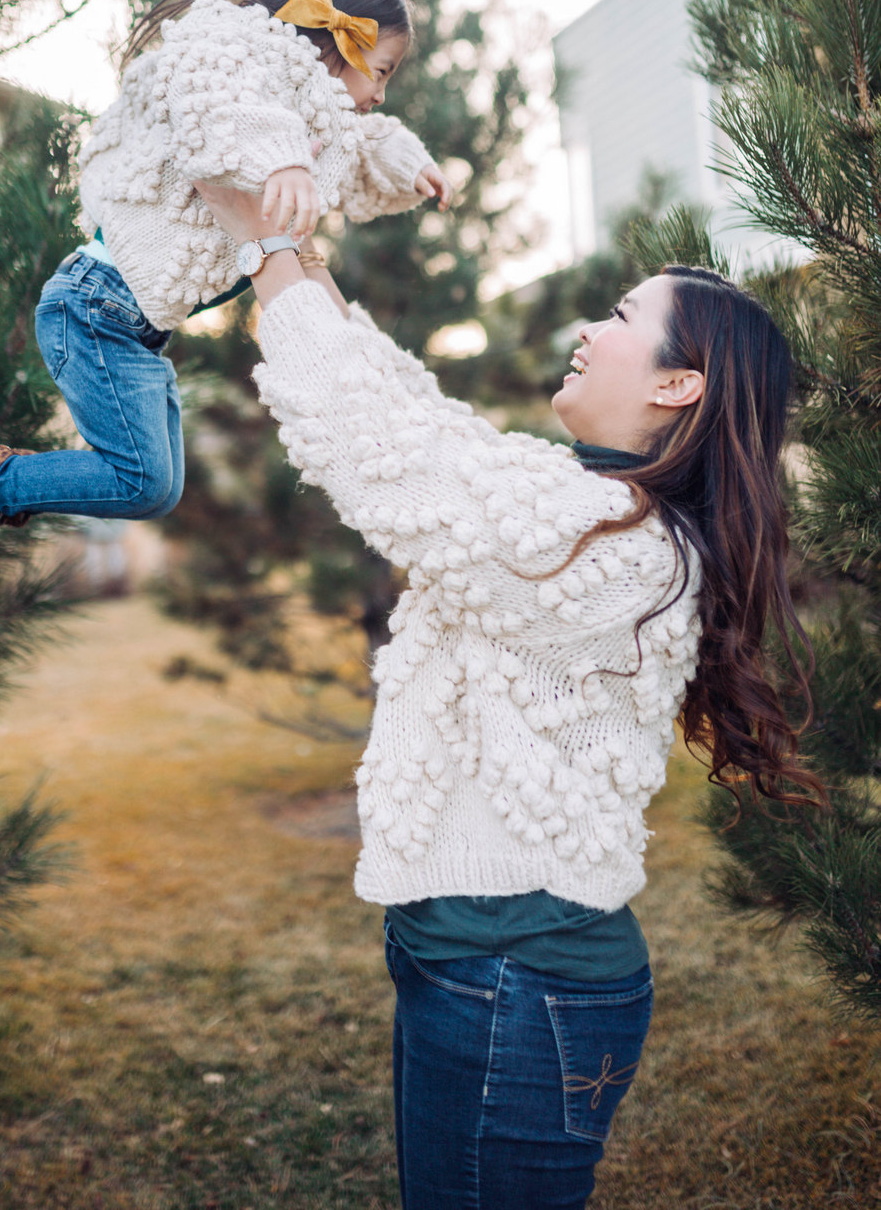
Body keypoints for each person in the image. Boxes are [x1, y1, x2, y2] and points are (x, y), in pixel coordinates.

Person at [191, 178, 828, 1210]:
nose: (587, 326)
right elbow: (417, 421)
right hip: (480, 967)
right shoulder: (583, 508)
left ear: (677, 387)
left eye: (621, 316)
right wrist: (300, 255)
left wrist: (264, 242)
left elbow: (377, 451)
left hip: (515, 985)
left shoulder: (619, 550)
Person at [0, 0, 451, 578]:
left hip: (136, 327)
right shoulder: (231, 49)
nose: (380, 94)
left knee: (159, 488)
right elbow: (224, 106)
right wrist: (282, 159)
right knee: (141, 482)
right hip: (94, 306)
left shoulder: (312, 114)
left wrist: (415, 168)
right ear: (339, 37)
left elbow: (370, 142)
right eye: (385, 71)